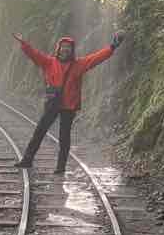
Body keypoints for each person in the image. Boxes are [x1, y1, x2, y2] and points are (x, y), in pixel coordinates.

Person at [12, 31, 125, 173]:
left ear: (72, 50)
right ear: (58, 49)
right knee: (39, 131)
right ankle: (27, 160)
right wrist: (24, 43)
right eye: (63, 47)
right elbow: (35, 54)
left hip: (69, 106)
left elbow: (96, 58)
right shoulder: (49, 62)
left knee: (64, 137)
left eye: (68, 47)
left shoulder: (79, 64)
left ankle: (61, 167)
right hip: (53, 103)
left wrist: (112, 47)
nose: (65, 49)